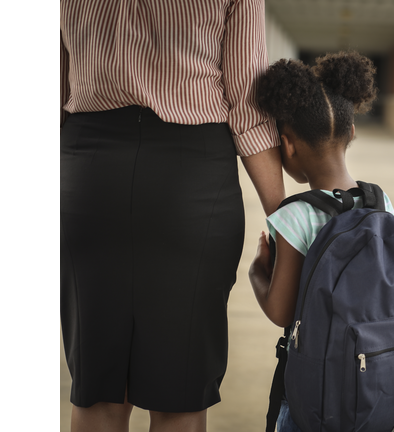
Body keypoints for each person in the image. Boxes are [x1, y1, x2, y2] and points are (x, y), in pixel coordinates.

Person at [60, 1, 284, 431]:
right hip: (191, 177)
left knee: (98, 388)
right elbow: (247, 105)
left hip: (90, 174)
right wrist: (284, 224)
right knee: (178, 394)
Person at [247, 51, 393, 432]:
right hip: (376, 383)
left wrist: (257, 271)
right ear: (353, 133)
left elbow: (280, 311)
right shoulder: (381, 202)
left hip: (318, 396)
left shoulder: (295, 216)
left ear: (288, 145)